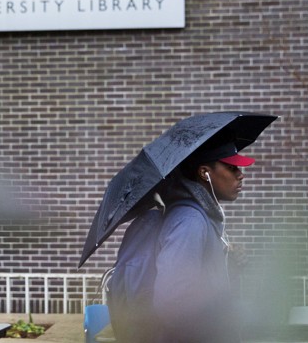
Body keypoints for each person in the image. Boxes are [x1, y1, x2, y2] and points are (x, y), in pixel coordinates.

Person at [107, 135, 252, 343]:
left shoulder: (198, 217)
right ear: (205, 173)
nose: (241, 175)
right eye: (232, 168)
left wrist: (228, 265)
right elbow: (173, 302)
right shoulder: (190, 221)